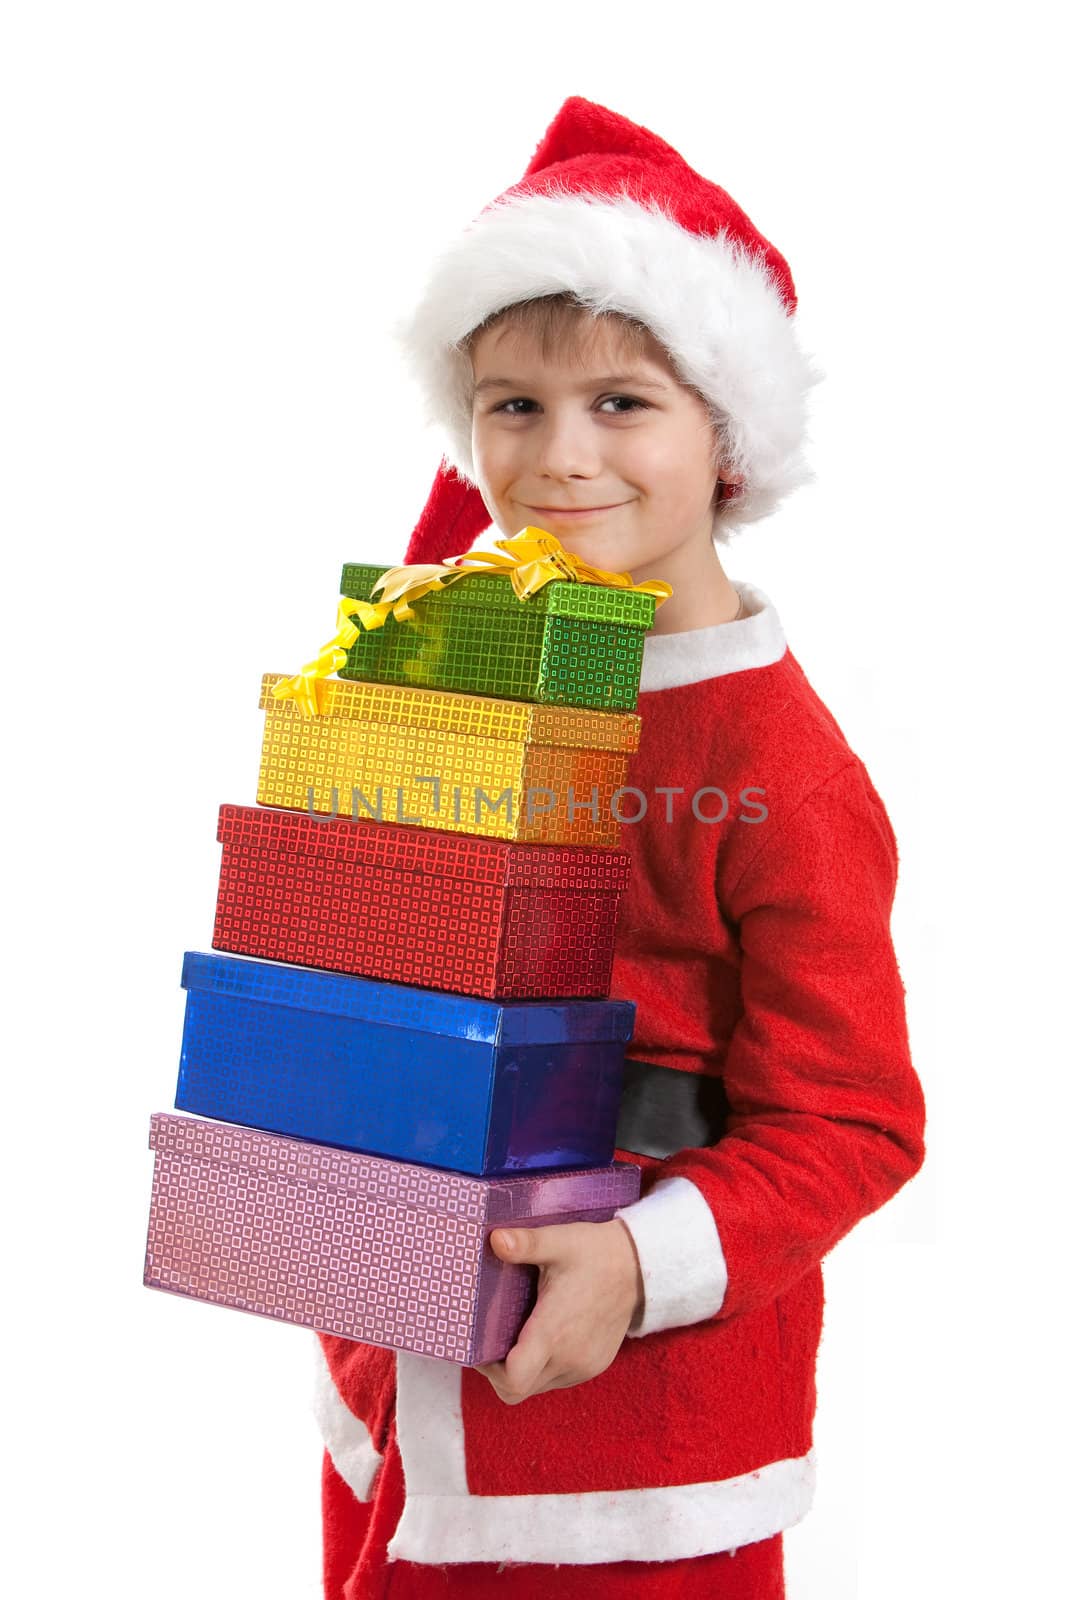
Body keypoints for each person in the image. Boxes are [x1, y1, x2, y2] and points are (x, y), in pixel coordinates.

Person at [314, 95, 926, 1599]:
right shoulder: (482, 645)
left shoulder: (783, 770)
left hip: (618, 1452)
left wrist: (641, 1264)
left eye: (622, 404)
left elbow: (857, 1122)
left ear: (727, 438)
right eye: (511, 404)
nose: (558, 455)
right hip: (396, 1375)